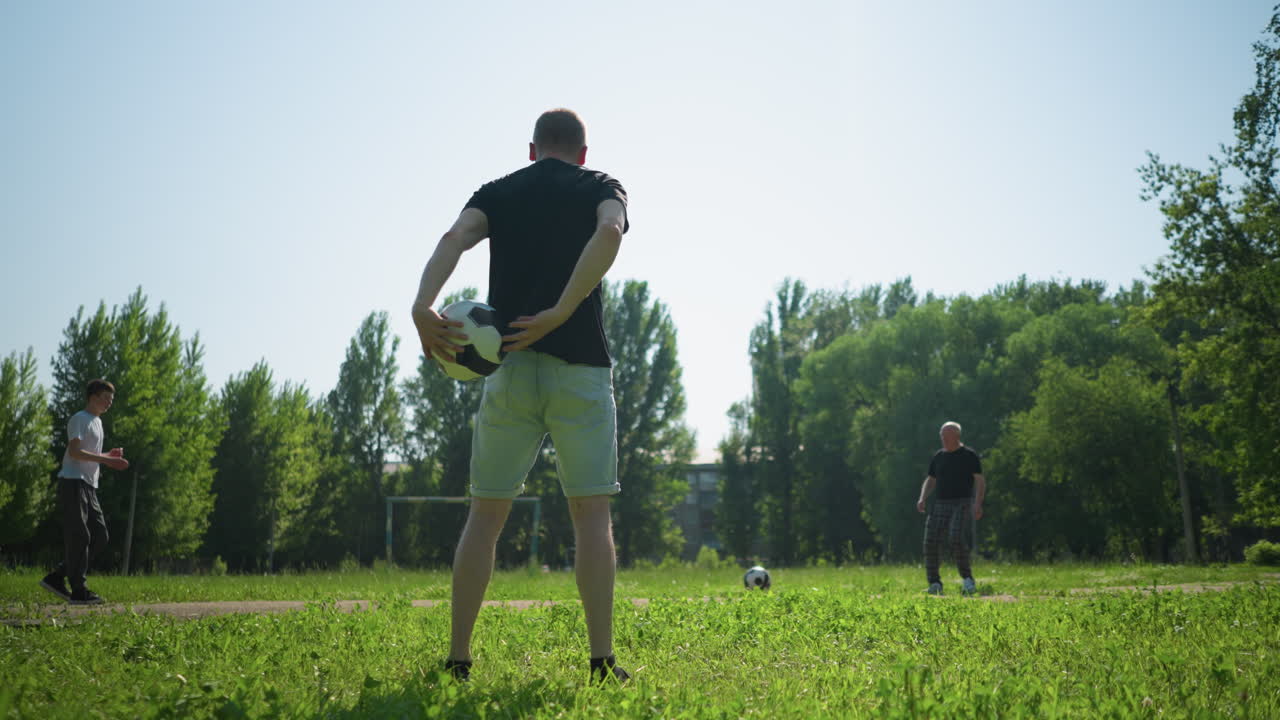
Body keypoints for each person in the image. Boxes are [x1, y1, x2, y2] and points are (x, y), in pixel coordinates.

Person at [411, 108, 630, 683]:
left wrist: (422, 305)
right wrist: (561, 310)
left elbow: (454, 237)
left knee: (485, 515)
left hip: (505, 367)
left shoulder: (498, 191)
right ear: (582, 153)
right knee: (590, 516)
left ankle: (458, 660)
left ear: (532, 150)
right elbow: (610, 232)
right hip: (580, 371)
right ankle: (601, 662)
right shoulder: (601, 187)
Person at [40, 378, 129, 605]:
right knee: (80, 535)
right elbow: (76, 452)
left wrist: (109, 455)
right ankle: (79, 591)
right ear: (93, 396)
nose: (109, 403)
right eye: (105, 398)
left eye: (111, 400)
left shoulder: (97, 423)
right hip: (72, 482)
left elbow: (90, 455)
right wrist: (106, 461)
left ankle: (57, 576)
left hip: (89, 486)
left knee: (100, 536)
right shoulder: (79, 419)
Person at [916, 421, 984, 596]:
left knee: (955, 536)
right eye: (942, 436)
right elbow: (931, 480)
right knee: (930, 540)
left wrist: (977, 503)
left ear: (956, 436)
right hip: (940, 503)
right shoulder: (938, 457)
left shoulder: (969, 455)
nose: (943, 439)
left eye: (946, 436)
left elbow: (980, 480)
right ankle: (934, 583)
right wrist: (923, 498)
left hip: (962, 502)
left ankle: (968, 580)